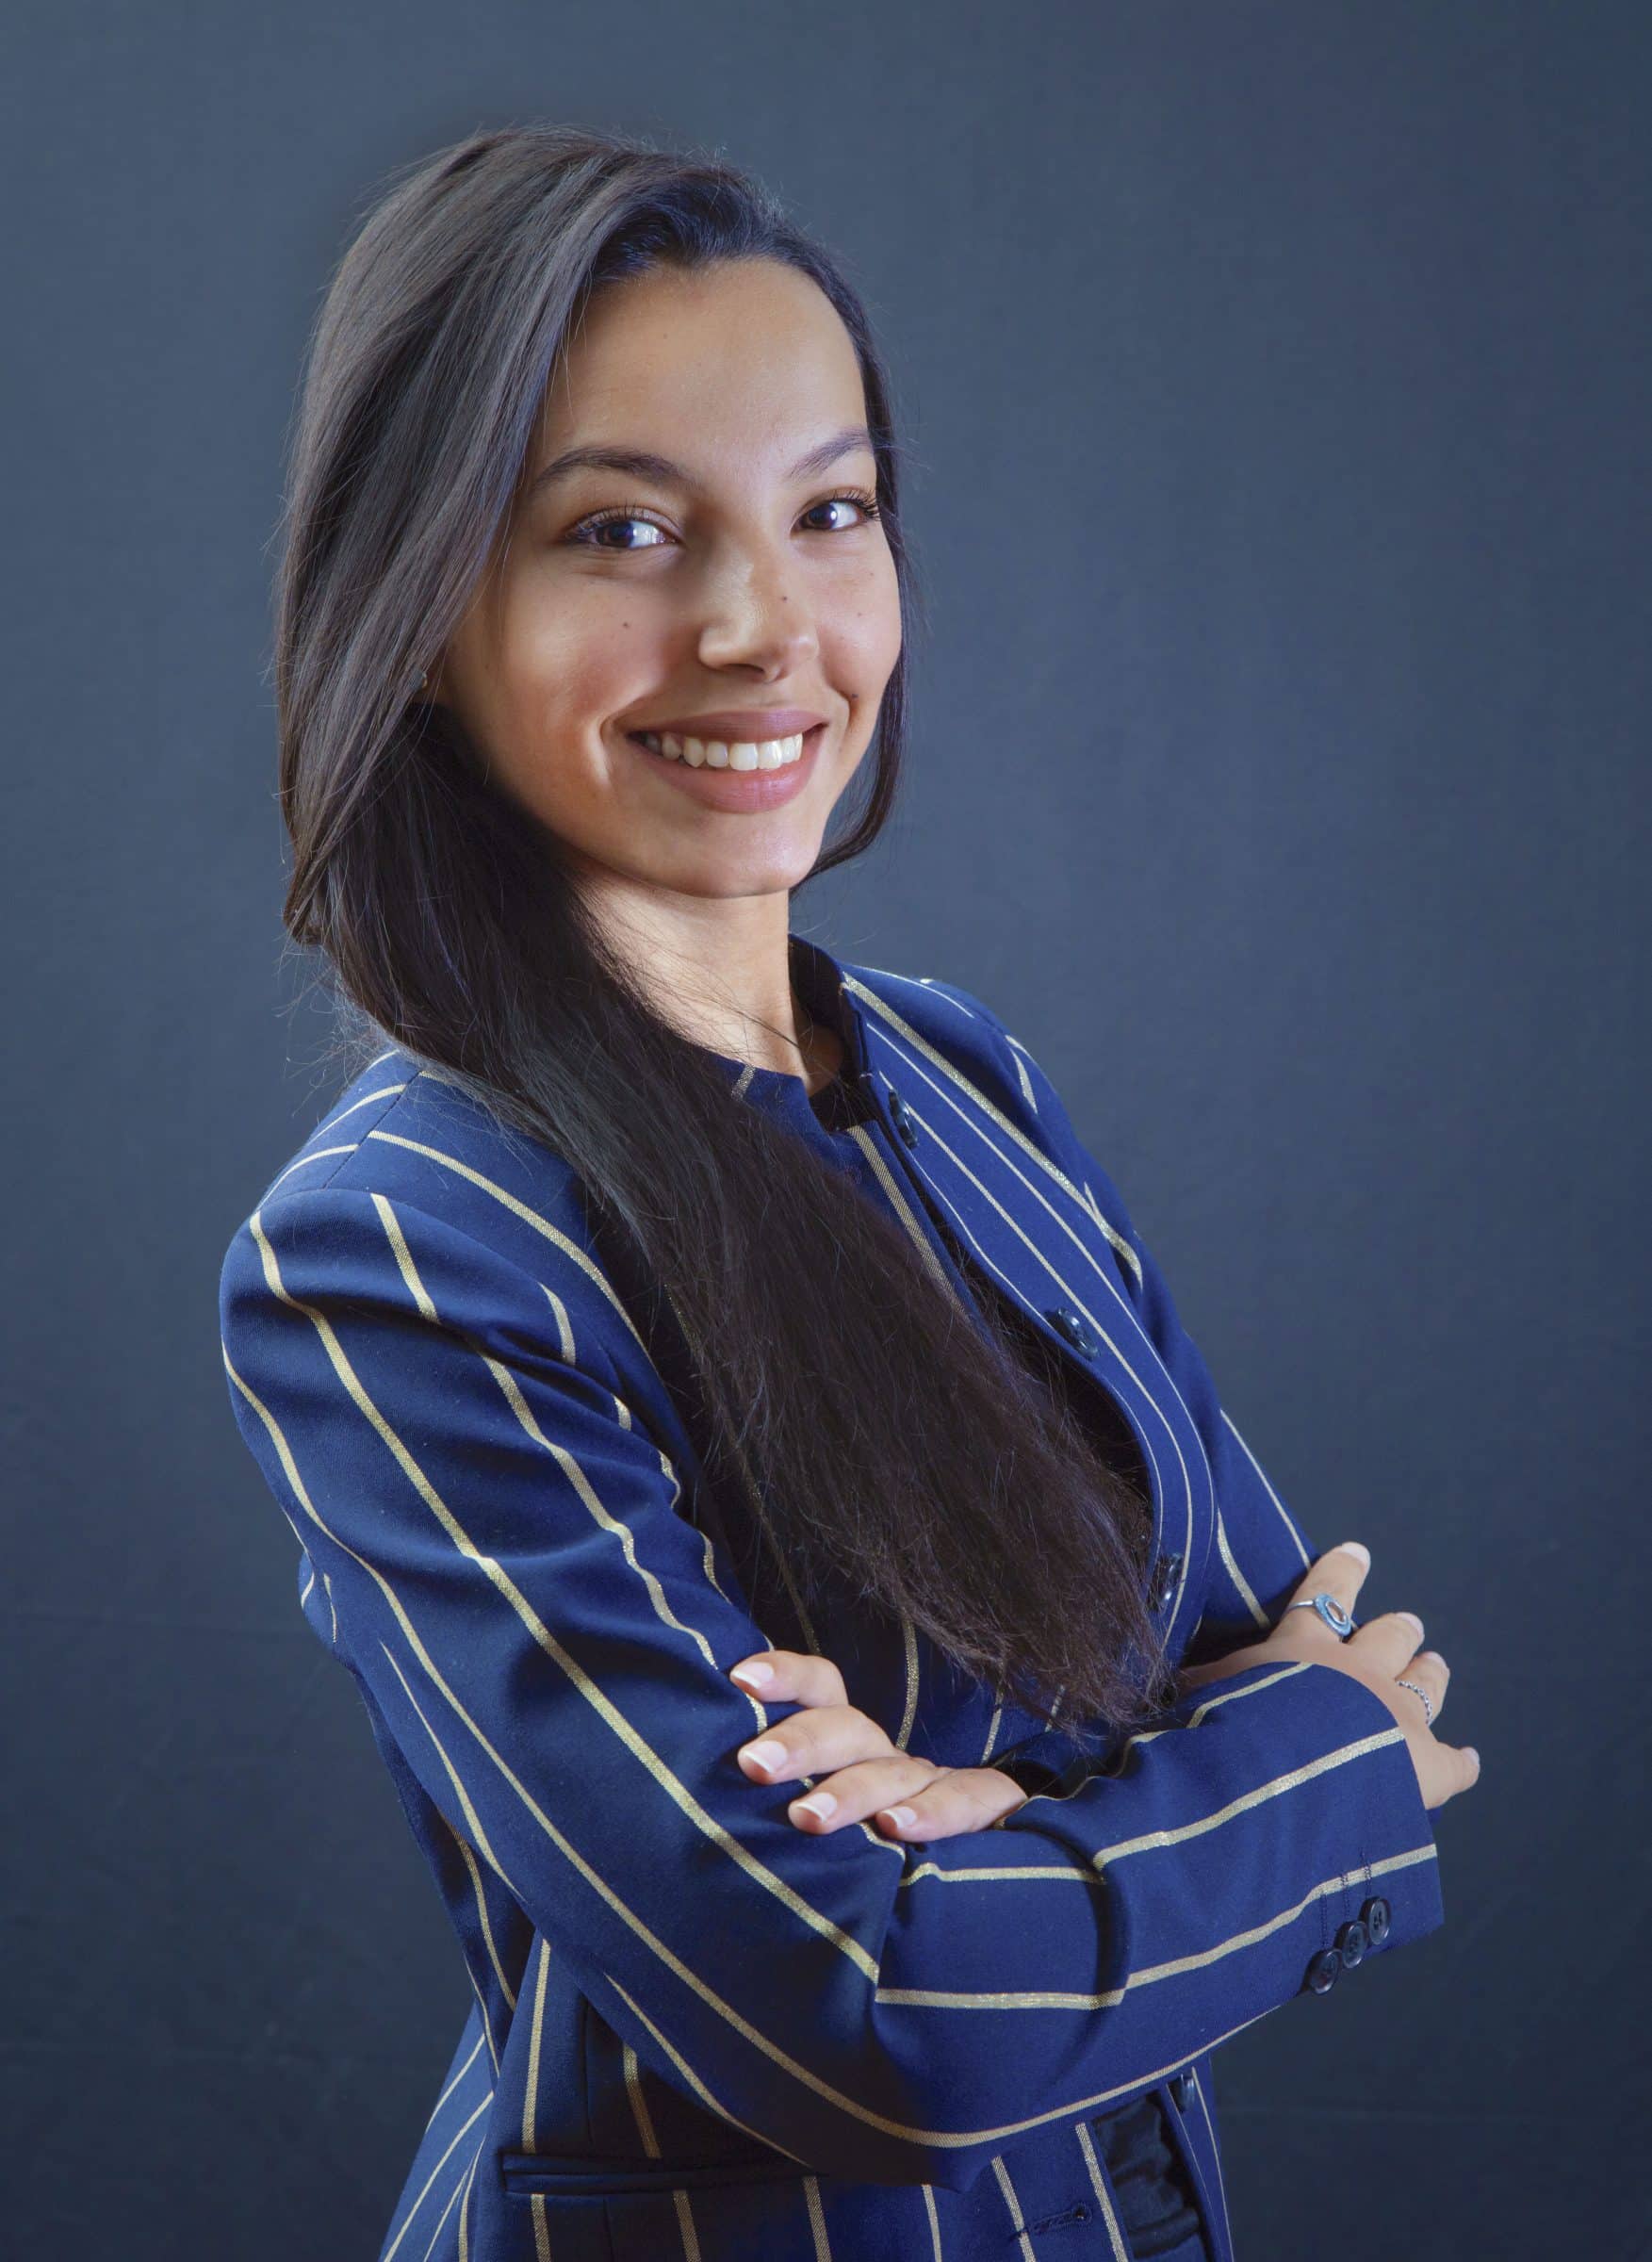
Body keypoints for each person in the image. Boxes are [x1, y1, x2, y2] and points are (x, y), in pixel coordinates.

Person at [217, 123, 1480, 2262]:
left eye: (831, 515)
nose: (758, 626)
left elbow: (1307, 1653)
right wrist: (1275, 1791)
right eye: (622, 530)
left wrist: (1010, 1815)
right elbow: (862, 2017)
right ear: (421, 609)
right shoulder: (405, 1252)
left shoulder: (956, 1077)